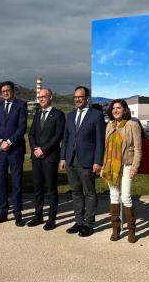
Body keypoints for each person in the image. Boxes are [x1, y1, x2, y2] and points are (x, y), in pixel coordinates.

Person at [60, 86, 105, 237]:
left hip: (88, 161)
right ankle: (78, 221)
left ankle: (88, 224)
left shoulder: (96, 115)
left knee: (89, 193)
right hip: (71, 160)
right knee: (76, 192)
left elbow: (100, 141)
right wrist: (63, 157)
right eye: (75, 97)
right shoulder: (70, 116)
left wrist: (98, 161)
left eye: (80, 97)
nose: (77, 99)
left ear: (87, 98)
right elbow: (66, 139)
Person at [101, 99, 142, 243]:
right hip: (111, 167)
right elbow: (106, 148)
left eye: (118, 108)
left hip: (126, 166)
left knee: (125, 196)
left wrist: (134, 168)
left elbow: (138, 149)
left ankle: (131, 230)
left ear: (125, 110)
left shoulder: (133, 125)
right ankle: (116, 229)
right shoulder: (109, 125)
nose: (115, 110)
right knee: (113, 196)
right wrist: (104, 166)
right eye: (113, 108)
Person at [0, 81, 28, 226]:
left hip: (15, 149)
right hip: (0, 150)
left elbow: (22, 127)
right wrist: (0, 141)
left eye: (8, 90)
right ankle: (2, 212)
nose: (5, 92)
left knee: (16, 182)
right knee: (1, 181)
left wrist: (9, 142)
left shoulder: (21, 105)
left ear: (13, 91)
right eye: (3, 91)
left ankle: (18, 213)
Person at [27, 88, 65, 231]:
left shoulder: (58, 115)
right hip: (36, 157)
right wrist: (35, 149)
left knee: (51, 188)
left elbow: (58, 136)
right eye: (39, 97)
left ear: (50, 97)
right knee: (37, 187)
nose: (41, 99)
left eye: (44, 96)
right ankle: (38, 215)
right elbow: (31, 135)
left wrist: (44, 150)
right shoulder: (37, 114)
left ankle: (51, 218)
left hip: (50, 157)